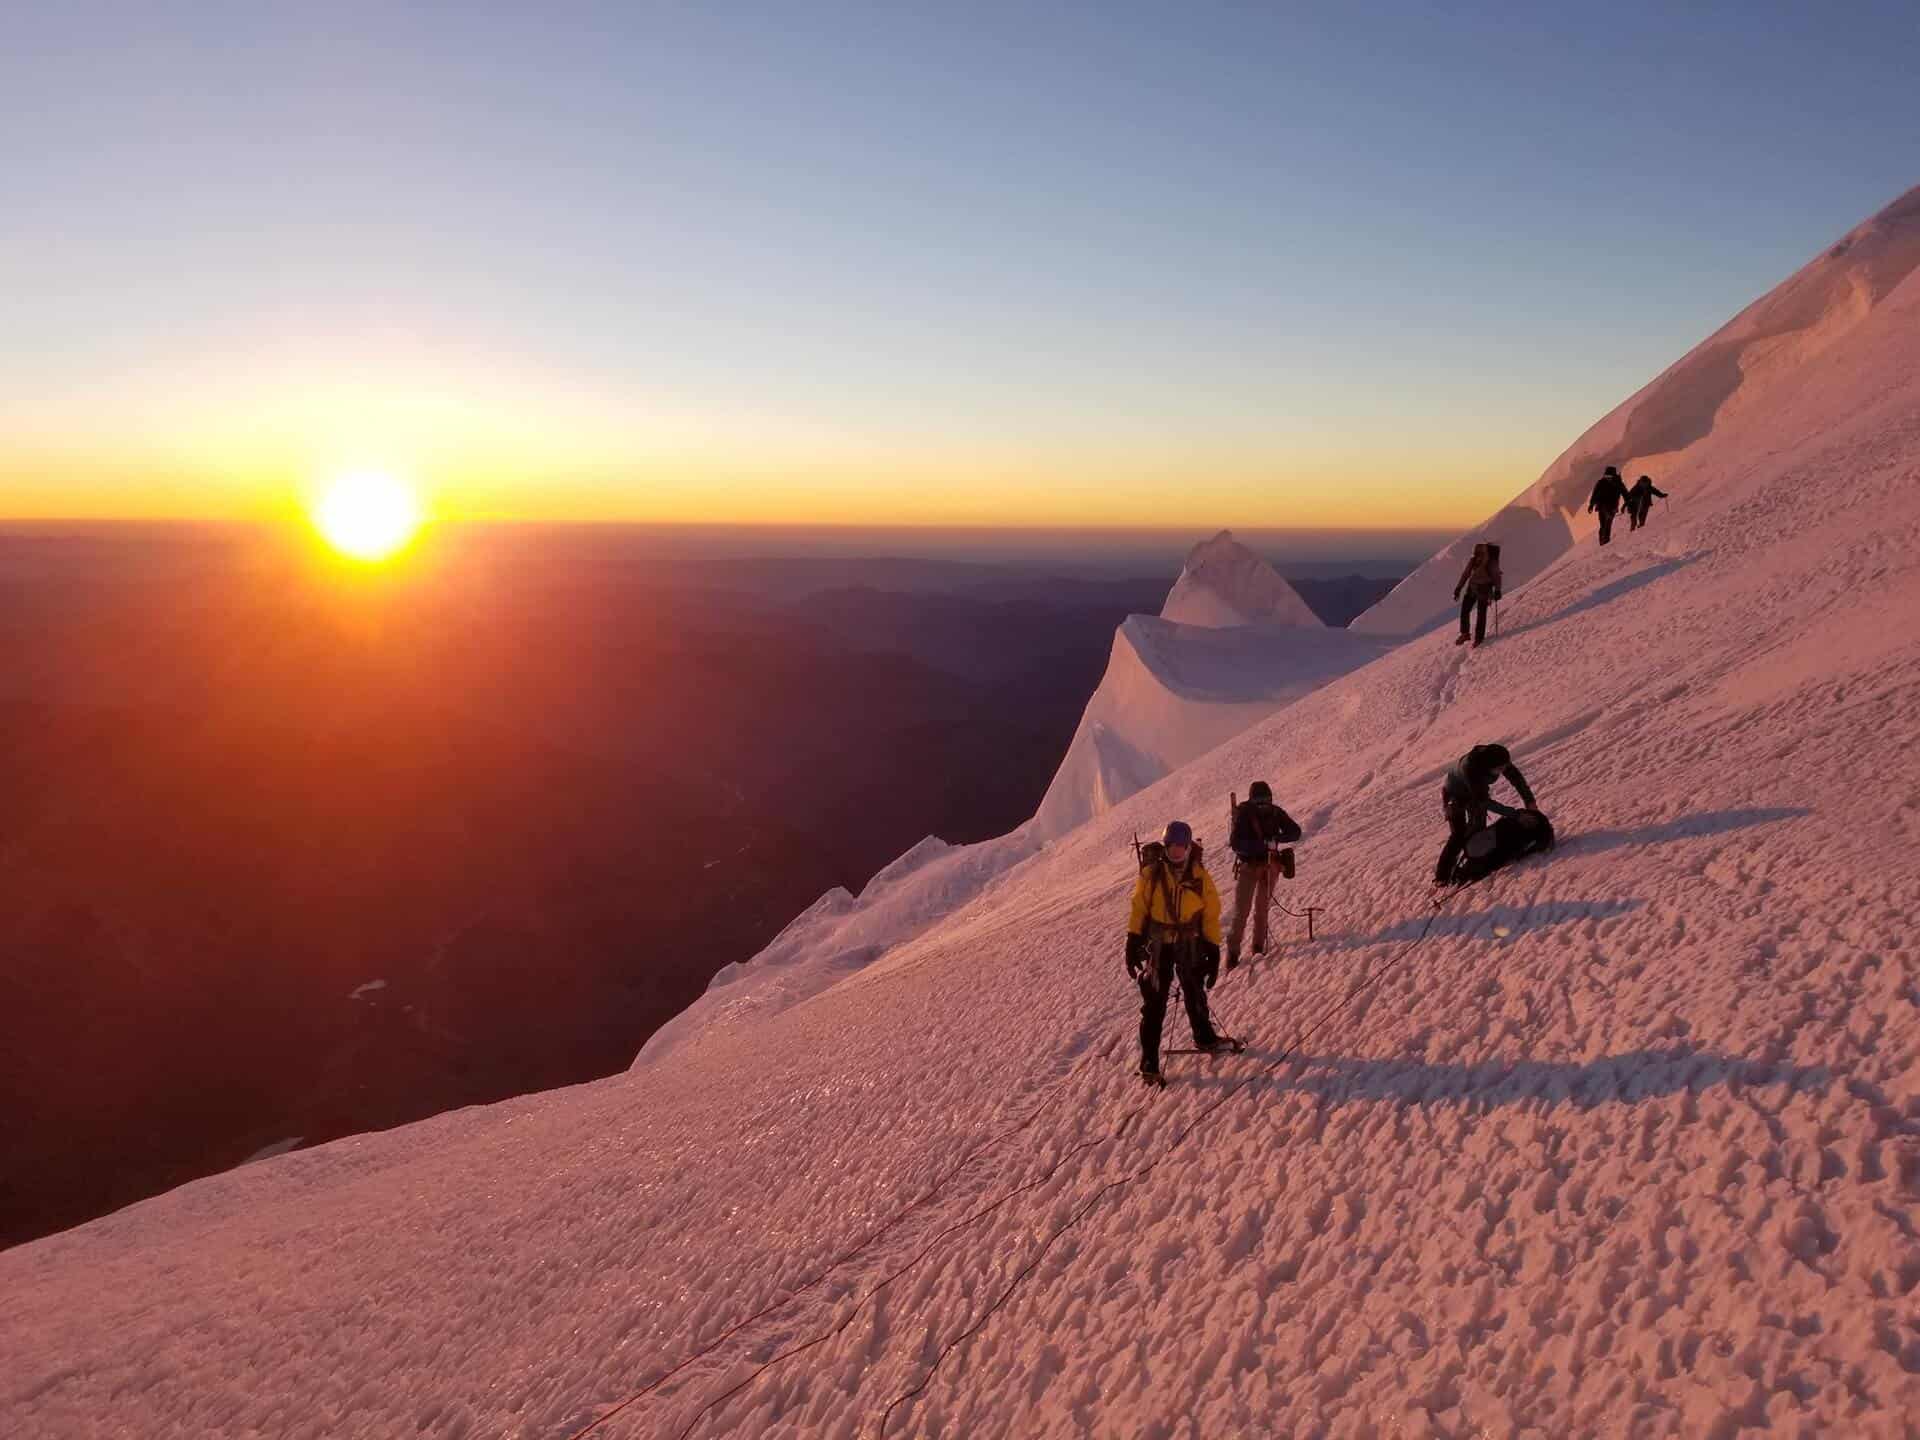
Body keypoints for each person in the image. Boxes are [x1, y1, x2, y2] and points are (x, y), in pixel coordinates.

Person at [1125, 821, 1226, 1084]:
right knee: (1155, 1004)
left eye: (1181, 848)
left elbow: (1210, 913)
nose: (1176, 853)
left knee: (1194, 991)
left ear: (1189, 847)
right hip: (1160, 946)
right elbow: (1139, 908)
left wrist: (1213, 947)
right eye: (1172, 848)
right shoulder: (1152, 874)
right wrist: (1132, 940)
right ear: (1165, 847)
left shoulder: (1198, 875)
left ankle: (1204, 1036)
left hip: (1189, 942)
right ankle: (1149, 1060)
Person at [1433, 743, 1539, 886]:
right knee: (1458, 834)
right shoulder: (1471, 769)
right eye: (1500, 769)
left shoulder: (1498, 758)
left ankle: (1475, 862)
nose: (1503, 770)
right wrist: (1516, 815)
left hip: (1475, 793)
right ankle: (1442, 875)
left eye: (1505, 766)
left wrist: (1529, 801)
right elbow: (1485, 802)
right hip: (1455, 795)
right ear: (1489, 767)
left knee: (1479, 831)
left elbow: (1517, 780)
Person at [1225, 781, 1303, 969]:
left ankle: (1257, 949)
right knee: (1241, 912)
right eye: (1259, 801)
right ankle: (1233, 954)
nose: (1263, 804)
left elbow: (1296, 832)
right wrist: (1263, 844)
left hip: (1270, 865)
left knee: (1261, 910)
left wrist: (1276, 839)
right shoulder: (1244, 814)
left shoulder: (1274, 813)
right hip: (1250, 866)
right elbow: (1235, 843)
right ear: (1252, 801)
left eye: (1265, 801)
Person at [1451, 541, 1502, 647]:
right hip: (1479, 588)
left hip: (1478, 588)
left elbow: (1466, 574)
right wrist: (1497, 590)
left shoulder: (1484, 561)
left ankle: (1473, 636)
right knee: (1474, 611)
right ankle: (1471, 635)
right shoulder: (1481, 561)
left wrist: (1458, 588)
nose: (1477, 556)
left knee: (1474, 612)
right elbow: (1496, 576)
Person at [1588, 465, 1630, 545]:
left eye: (1609, 476)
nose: (1608, 478)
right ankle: (1603, 541)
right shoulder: (1601, 482)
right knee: (1603, 524)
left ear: (1613, 475)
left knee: (1608, 524)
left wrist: (1628, 503)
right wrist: (1591, 505)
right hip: (1601, 506)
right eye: (1606, 476)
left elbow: (1625, 493)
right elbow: (1595, 494)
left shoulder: (1618, 483)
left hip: (1612, 507)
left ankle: (1605, 542)